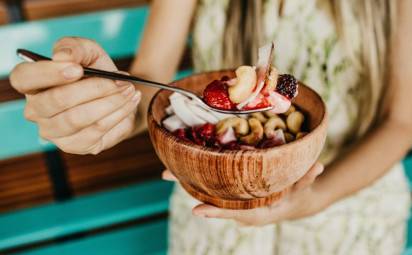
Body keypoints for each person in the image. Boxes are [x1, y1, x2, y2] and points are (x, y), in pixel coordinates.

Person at [9, 0, 412, 254]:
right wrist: (105, 108)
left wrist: (310, 200)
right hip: (215, 198)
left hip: (346, 204)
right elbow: (150, 86)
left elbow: (402, 123)